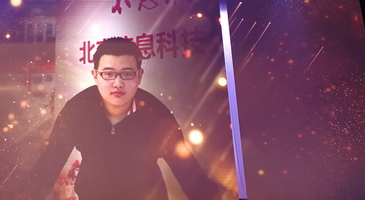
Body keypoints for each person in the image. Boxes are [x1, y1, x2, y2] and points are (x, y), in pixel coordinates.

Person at [27, 37, 222, 200]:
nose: (117, 83)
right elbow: (47, 166)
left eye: (127, 74)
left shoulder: (158, 116)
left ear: (140, 76)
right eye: (108, 74)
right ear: (95, 75)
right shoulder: (76, 110)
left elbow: (190, 176)